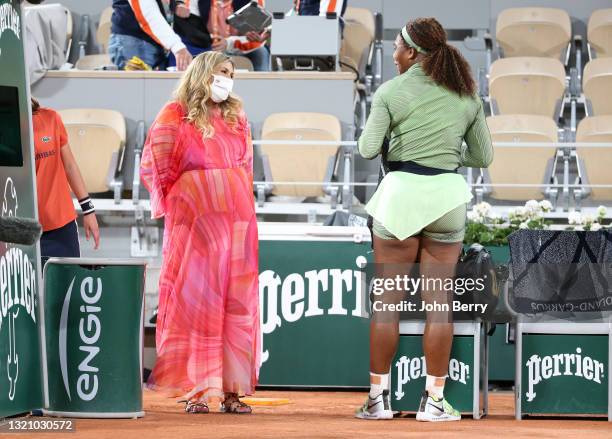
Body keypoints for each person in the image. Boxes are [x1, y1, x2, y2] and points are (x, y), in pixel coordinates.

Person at [354, 18, 493, 422]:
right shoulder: (466, 95)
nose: (394, 54)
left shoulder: (390, 92)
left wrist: (407, 151)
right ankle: (434, 402)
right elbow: (483, 157)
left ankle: (377, 401)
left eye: (397, 47)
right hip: (446, 198)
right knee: (439, 306)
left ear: (412, 53)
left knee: (387, 305)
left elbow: (365, 149)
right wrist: (447, 157)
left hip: (399, 198)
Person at [142, 51, 260, 414]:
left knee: (237, 305)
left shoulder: (237, 115)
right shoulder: (173, 114)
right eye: (221, 71)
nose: (227, 78)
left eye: (231, 73)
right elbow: (156, 164)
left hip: (236, 221)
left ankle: (232, 391)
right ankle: (196, 388)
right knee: (194, 302)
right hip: (193, 225)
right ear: (204, 73)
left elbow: (245, 164)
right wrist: (186, 199)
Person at [31, 98, 101, 265]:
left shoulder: (51, 118)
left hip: (61, 226)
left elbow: (70, 166)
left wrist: (88, 210)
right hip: (20, 231)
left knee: (66, 288)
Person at [170, 0, 269, 71]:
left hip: (238, 47)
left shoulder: (254, 2)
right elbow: (192, 31)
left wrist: (228, 43)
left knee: (261, 51)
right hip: (208, 46)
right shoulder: (196, 2)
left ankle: (261, 85)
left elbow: (259, 38)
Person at [110, 0, 193, 70]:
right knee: (140, 87)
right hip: (136, 41)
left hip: (143, 41)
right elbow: (147, 11)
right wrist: (176, 46)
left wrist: (174, 4)